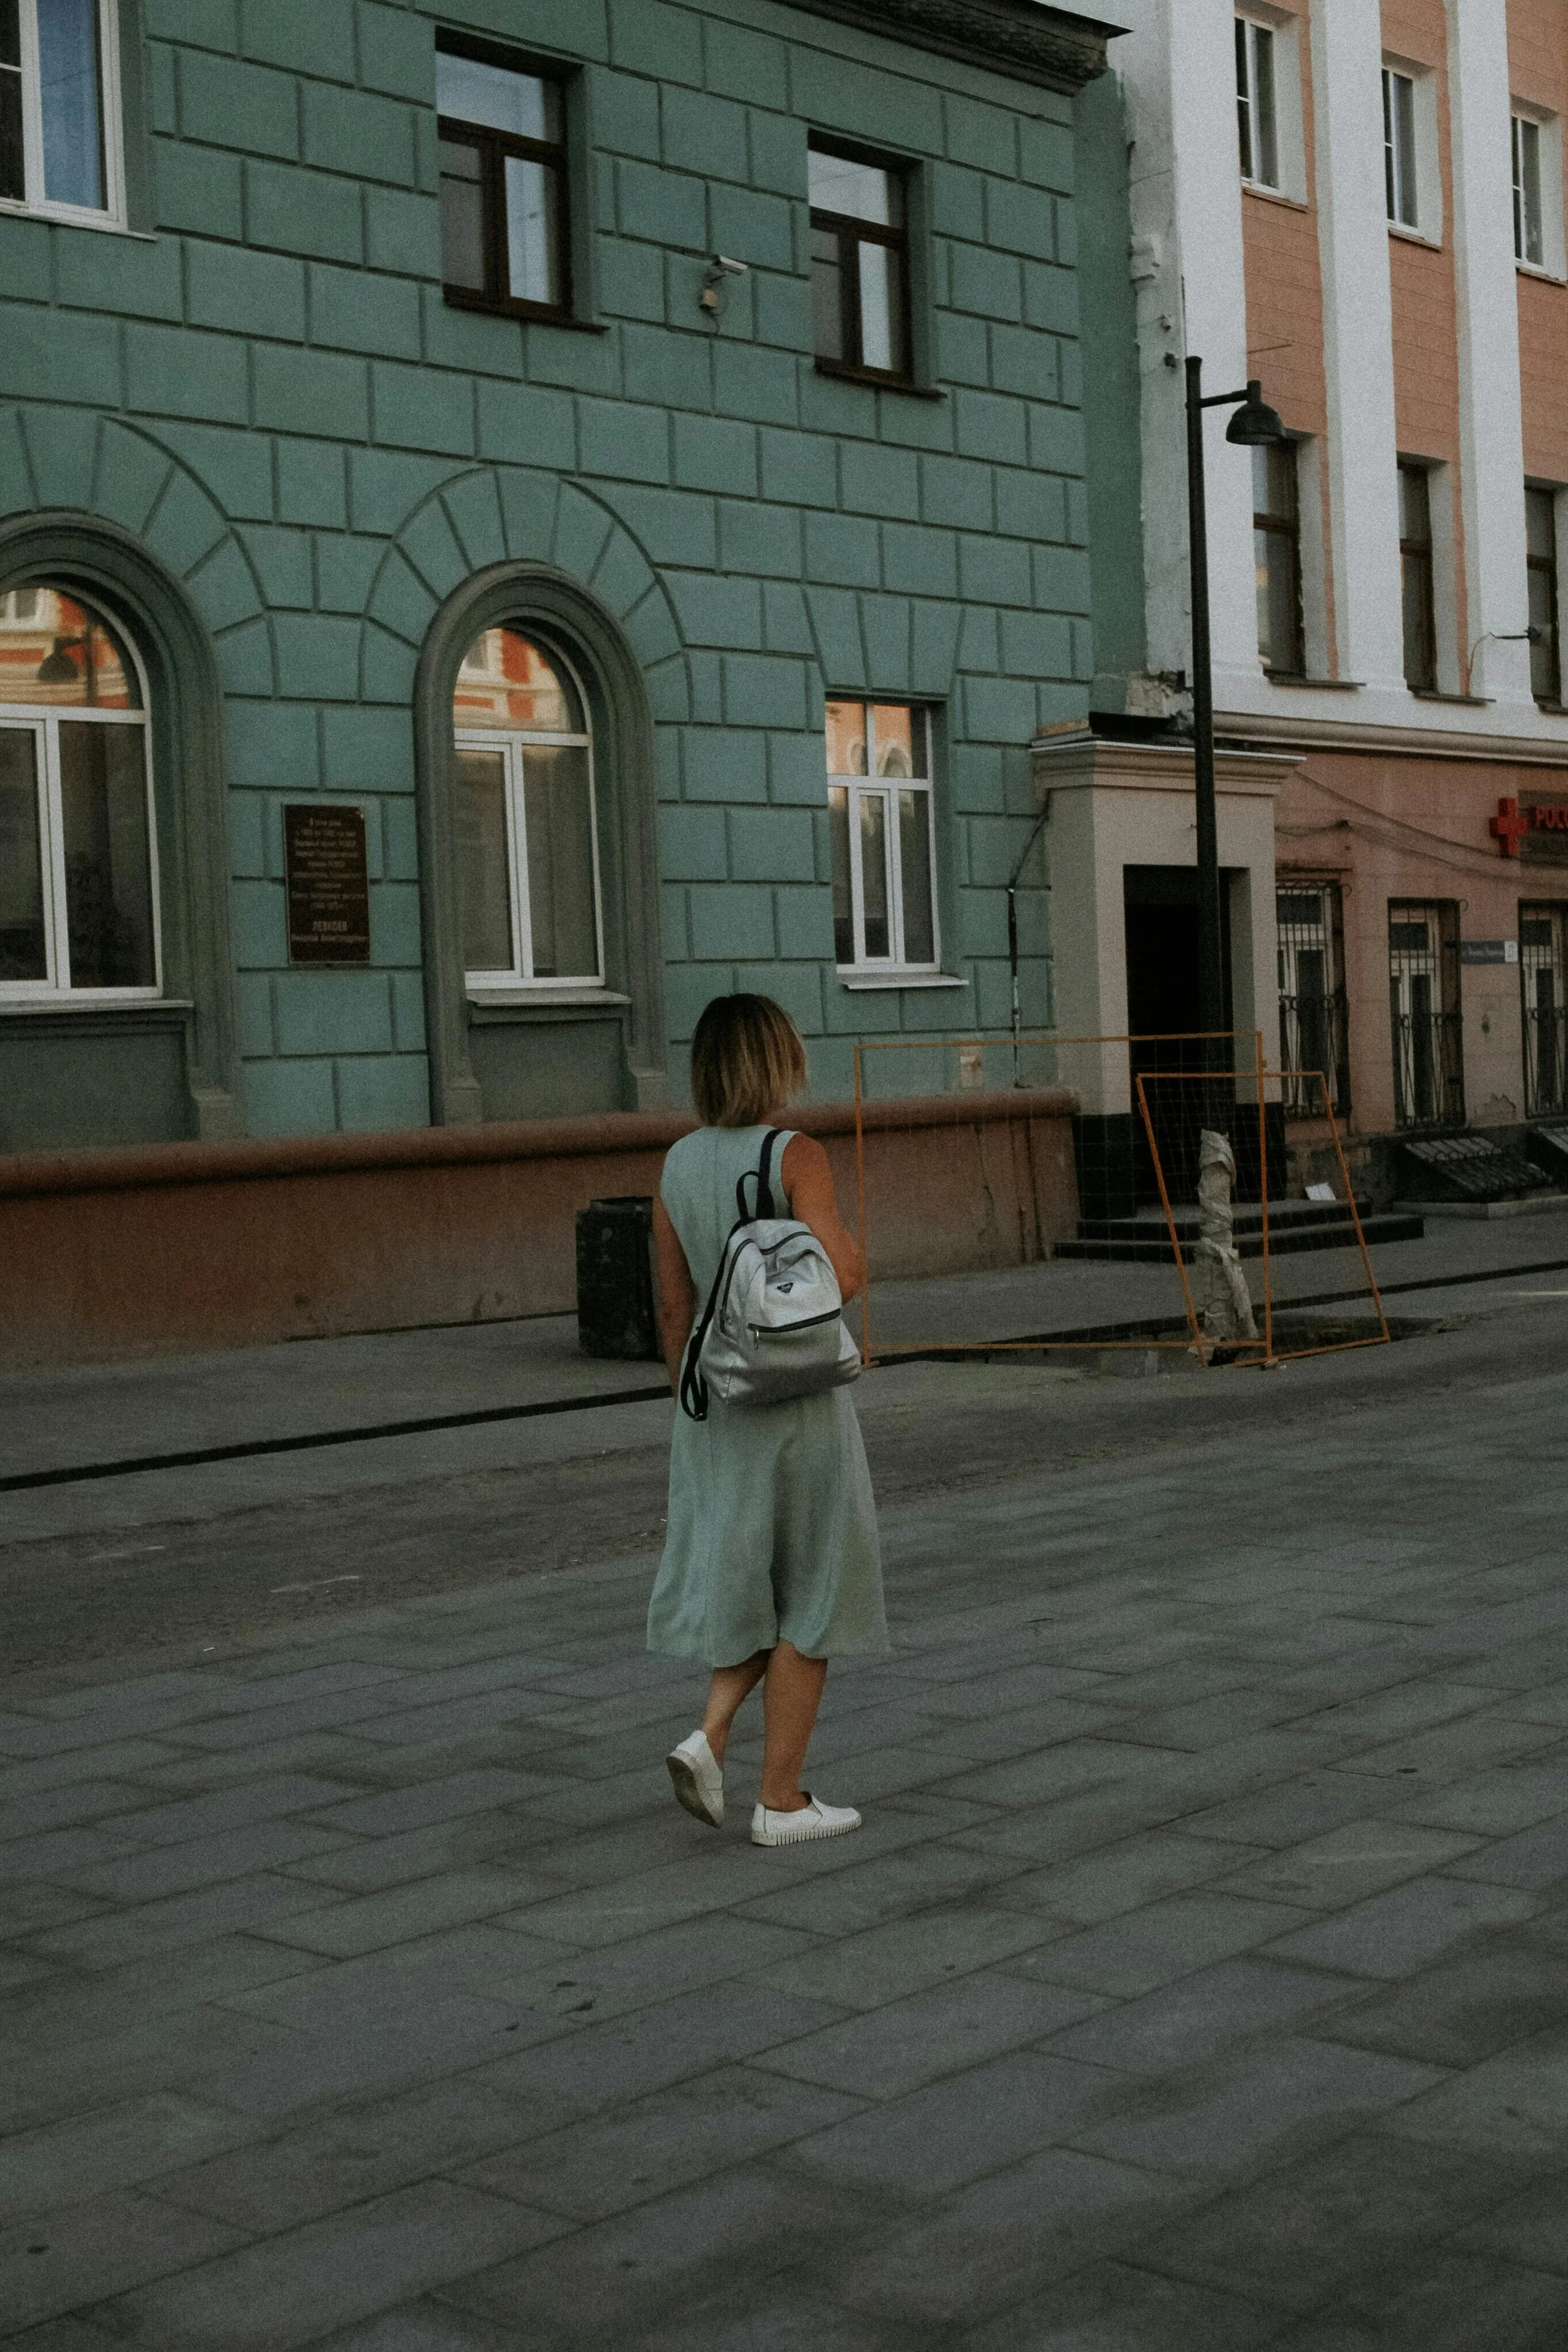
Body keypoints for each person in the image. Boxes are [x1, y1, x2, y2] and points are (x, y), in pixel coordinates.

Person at [649, 993, 887, 1847]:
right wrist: (854, 1247)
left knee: (750, 1582)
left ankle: (708, 1735)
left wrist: (697, 1401)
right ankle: (780, 1799)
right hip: (799, 1406)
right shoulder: (798, 1153)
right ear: (775, 1060)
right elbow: (840, 1274)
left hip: (712, 1408)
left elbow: (672, 1312)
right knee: (816, 1588)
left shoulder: (675, 1166)